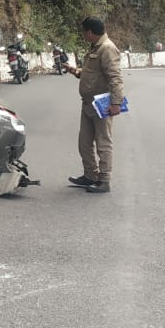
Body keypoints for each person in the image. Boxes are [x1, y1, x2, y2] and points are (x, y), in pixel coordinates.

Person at [65, 16, 123, 194]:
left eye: (84, 32)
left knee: (103, 143)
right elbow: (94, 73)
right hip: (88, 103)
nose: (83, 35)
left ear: (89, 32)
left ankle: (104, 180)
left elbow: (115, 77)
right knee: (84, 142)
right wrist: (77, 72)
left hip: (102, 103)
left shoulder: (107, 48)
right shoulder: (96, 47)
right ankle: (90, 175)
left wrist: (116, 103)